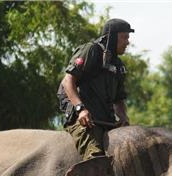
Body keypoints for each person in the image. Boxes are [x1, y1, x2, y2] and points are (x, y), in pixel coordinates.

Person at [57, 18, 133, 160]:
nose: (128, 42)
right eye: (124, 37)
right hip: (82, 120)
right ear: (111, 37)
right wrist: (80, 109)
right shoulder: (91, 50)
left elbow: (118, 99)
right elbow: (68, 81)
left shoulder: (118, 65)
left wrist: (123, 117)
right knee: (96, 160)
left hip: (106, 122)